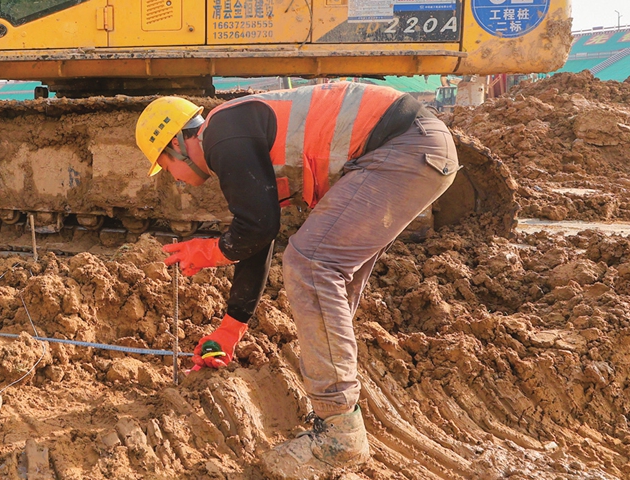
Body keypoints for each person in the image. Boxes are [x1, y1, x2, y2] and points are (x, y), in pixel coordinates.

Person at [134, 81, 459, 479]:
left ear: (177, 144)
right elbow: (260, 233)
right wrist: (231, 328)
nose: (176, 179)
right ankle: (339, 414)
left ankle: (338, 433)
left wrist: (210, 251)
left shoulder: (222, 133)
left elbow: (255, 227)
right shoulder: (241, 134)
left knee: (311, 262)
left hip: (403, 146)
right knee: (329, 270)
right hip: (413, 147)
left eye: (167, 168)